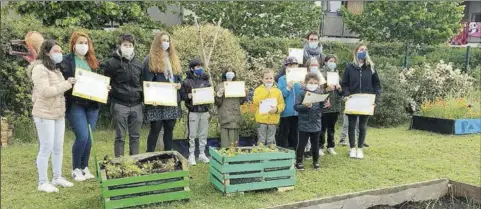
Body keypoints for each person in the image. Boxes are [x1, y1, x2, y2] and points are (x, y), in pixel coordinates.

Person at [30, 40, 76, 192]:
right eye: (56, 51)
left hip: (58, 113)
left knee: (58, 147)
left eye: (60, 51)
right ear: (47, 52)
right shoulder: (40, 69)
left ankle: (57, 177)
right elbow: (46, 92)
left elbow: (60, 89)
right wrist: (67, 84)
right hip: (44, 114)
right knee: (46, 147)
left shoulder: (55, 70)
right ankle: (43, 182)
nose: (59, 54)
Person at [60, 31, 101, 181]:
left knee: (89, 137)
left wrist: (104, 88)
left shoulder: (92, 61)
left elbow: (97, 81)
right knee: (82, 136)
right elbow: (60, 80)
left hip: (91, 104)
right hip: (75, 103)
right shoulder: (65, 60)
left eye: (85, 43)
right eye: (80, 43)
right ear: (73, 45)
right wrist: (67, 81)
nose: (83, 46)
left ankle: (84, 167)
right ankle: (75, 168)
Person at [103, 34, 143, 157]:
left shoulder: (138, 63)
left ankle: (134, 162)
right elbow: (105, 82)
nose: (128, 47)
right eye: (125, 45)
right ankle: (119, 163)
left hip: (137, 105)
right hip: (120, 105)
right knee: (120, 136)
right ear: (119, 46)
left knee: (135, 136)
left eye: (130, 45)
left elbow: (142, 83)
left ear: (133, 47)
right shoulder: (111, 63)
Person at [143, 32, 183, 153]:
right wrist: (150, 98)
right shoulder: (149, 59)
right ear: (157, 42)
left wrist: (179, 84)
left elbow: (178, 78)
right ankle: (149, 155)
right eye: (163, 40)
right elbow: (146, 82)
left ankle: (168, 155)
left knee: (170, 128)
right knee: (155, 129)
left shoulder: (173, 59)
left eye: (167, 40)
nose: (165, 43)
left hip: (171, 100)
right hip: (157, 102)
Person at [342, 44, 381, 159]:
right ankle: (352, 148)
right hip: (353, 101)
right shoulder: (349, 67)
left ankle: (360, 149)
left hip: (366, 102)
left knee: (362, 126)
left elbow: (377, 85)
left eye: (365, 50)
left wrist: (375, 99)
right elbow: (345, 84)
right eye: (361, 49)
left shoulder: (371, 68)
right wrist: (346, 94)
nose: (363, 51)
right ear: (356, 51)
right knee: (352, 126)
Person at [294, 73, 330, 171]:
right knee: (302, 144)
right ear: (306, 83)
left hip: (316, 123)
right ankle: (299, 162)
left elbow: (323, 108)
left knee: (315, 144)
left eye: (315, 83)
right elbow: (296, 107)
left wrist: (327, 106)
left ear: (318, 84)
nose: (313, 84)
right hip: (304, 123)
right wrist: (305, 106)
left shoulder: (320, 92)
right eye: (310, 83)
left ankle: (316, 161)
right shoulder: (301, 93)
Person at [182, 59, 211, 166]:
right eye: (197, 67)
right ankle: (191, 154)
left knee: (203, 133)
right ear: (192, 68)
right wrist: (188, 96)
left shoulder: (206, 81)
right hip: (193, 111)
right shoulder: (187, 81)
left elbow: (209, 95)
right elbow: (182, 96)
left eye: (201, 66)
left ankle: (202, 153)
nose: (200, 68)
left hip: (204, 111)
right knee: (192, 134)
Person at [215, 70, 247, 148]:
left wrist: (244, 94)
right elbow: (217, 103)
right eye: (228, 72)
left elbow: (241, 101)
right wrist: (219, 94)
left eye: (232, 73)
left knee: (235, 145)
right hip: (225, 118)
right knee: (225, 145)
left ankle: (234, 159)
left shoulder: (238, 86)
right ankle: (225, 159)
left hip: (235, 118)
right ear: (224, 74)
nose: (230, 75)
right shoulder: (220, 86)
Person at [253, 69, 285, 145]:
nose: (269, 80)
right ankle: (261, 154)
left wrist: (276, 109)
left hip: (273, 120)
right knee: (261, 140)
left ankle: (271, 154)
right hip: (261, 120)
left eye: (271, 78)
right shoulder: (258, 90)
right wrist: (266, 93)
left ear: (273, 79)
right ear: (262, 79)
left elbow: (282, 104)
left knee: (271, 140)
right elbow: (255, 101)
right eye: (266, 78)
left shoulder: (278, 91)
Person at [276, 56, 302, 149]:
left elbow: (304, 95)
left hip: (298, 112)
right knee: (284, 135)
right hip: (286, 112)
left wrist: (304, 86)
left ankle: (294, 156)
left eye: (294, 65)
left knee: (295, 136)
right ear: (286, 67)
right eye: (290, 65)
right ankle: (283, 155)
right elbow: (280, 96)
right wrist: (288, 87)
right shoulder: (282, 79)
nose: (292, 67)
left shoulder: (301, 79)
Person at [319, 55, 343, 155]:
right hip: (325, 106)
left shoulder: (337, 74)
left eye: (334, 61)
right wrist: (326, 90)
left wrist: (339, 87)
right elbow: (318, 90)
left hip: (335, 105)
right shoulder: (321, 74)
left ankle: (331, 146)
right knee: (322, 128)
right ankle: (320, 146)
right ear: (325, 62)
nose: (332, 62)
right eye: (330, 61)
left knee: (331, 128)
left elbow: (341, 92)